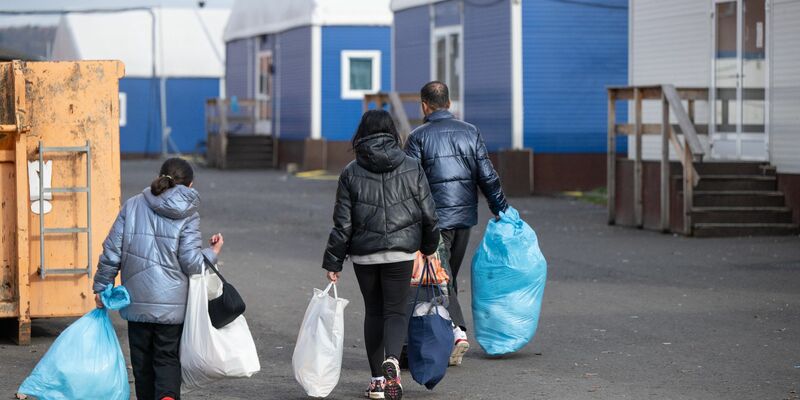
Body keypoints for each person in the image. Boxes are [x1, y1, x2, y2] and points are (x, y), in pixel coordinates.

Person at [323, 110, 440, 400]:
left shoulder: (351, 171)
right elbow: (429, 215)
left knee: (374, 312)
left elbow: (343, 223)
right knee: (395, 311)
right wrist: (428, 248)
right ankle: (393, 361)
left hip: (365, 255)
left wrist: (333, 261)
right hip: (401, 252)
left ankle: (377, 380)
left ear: (361, 133)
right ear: (392, 132)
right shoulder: (412, 166)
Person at [93, 158, 223, 400]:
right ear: (190, 185)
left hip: (136, 303)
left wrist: (102, 288)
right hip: (172, 308)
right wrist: (212, 253)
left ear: (159, 177)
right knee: (167, 359)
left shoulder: (132, 206)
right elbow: (192, 263)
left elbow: (111, 252)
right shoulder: (189, 215)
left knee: (141, 365)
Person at [405, 81, 509, 367]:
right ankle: (449, 334)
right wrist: (501, 209)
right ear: (449, 104)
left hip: (433, 221)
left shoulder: (417, 137)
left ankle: (457, 333)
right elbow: (487, 175)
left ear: (424, 105)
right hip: (464, 218)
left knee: (441, 278)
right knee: (447, 276)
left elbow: (409, 181)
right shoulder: (471, 132)